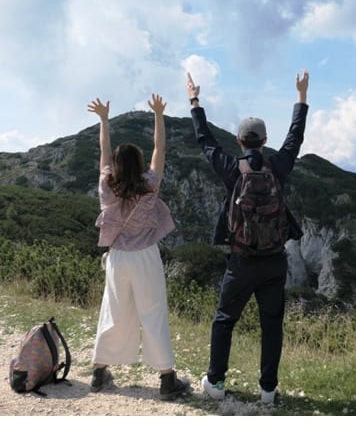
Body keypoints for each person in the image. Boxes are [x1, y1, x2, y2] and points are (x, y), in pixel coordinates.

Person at [188, 70, 310, 406]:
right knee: (272, 325)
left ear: (240, 142)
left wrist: (195, 101)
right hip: (274, 261)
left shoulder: (231, 168)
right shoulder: (279, 166)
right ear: (265, 140)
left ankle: (215, 382)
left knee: (225, 320)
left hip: (241, 262)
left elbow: (205, 140)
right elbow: (295, 138)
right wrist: (301, 97)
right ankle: (268, 392)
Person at [86, 94, 191, 400]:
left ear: (116, 166)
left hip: (117, 257)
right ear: (140, 164)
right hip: (145, 255)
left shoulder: (107, 185)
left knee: (114, 311)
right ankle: (167, 379)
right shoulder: (150, 185)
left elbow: (104, 151)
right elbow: (161, 149)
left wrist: (104, 120)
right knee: (153, 312)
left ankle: (99, 371)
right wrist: (158, 115)